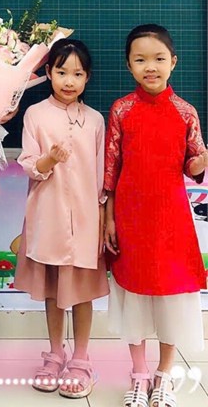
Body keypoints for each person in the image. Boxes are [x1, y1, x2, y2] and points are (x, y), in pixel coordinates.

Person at [103, 24, 207, 407]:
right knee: (134, 294)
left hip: (171, 221)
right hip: (130, 218)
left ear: (173, 62)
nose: (151, 66)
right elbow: (110, 170)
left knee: (169, 297)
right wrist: (108, 219)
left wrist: (202, 159)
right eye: (140, 59)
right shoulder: (121, 110)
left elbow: (193, 165)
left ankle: (164, 377)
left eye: (159, 58)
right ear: (129, 65)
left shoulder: (186, 112)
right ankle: (139, 375)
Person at [14, 39, 108, 398]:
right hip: (48, 217)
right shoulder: (36, 114)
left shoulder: (95, 120)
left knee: (81, 294)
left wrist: (102, 217)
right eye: (62, 72)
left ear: (87, 78)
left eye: (78, 74)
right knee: (53, 292)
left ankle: (81, 359)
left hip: (86, 220)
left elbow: (101, 175)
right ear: (49, 72)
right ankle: (55, 354)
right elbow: (30, 165)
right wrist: (50, 159)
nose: (69, 81)